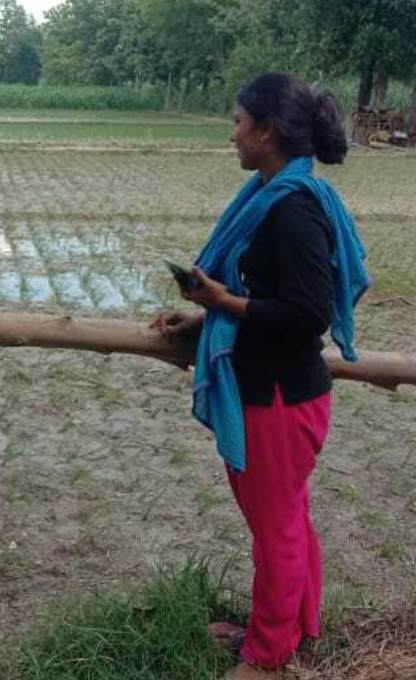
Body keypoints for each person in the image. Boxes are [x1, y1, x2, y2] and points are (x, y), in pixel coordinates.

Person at [152, 73, 369, 680]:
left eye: (239, 122)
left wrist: (221, 303)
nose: (233, 134)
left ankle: (268, 657)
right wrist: (202, 315)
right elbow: (265, 298)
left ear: (267, 131)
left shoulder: (292, 212)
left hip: (278, 398)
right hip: (276, 391)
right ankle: (293, 625)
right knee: (287, 519)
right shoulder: (274, 195)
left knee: (276, 530)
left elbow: (306, 316)